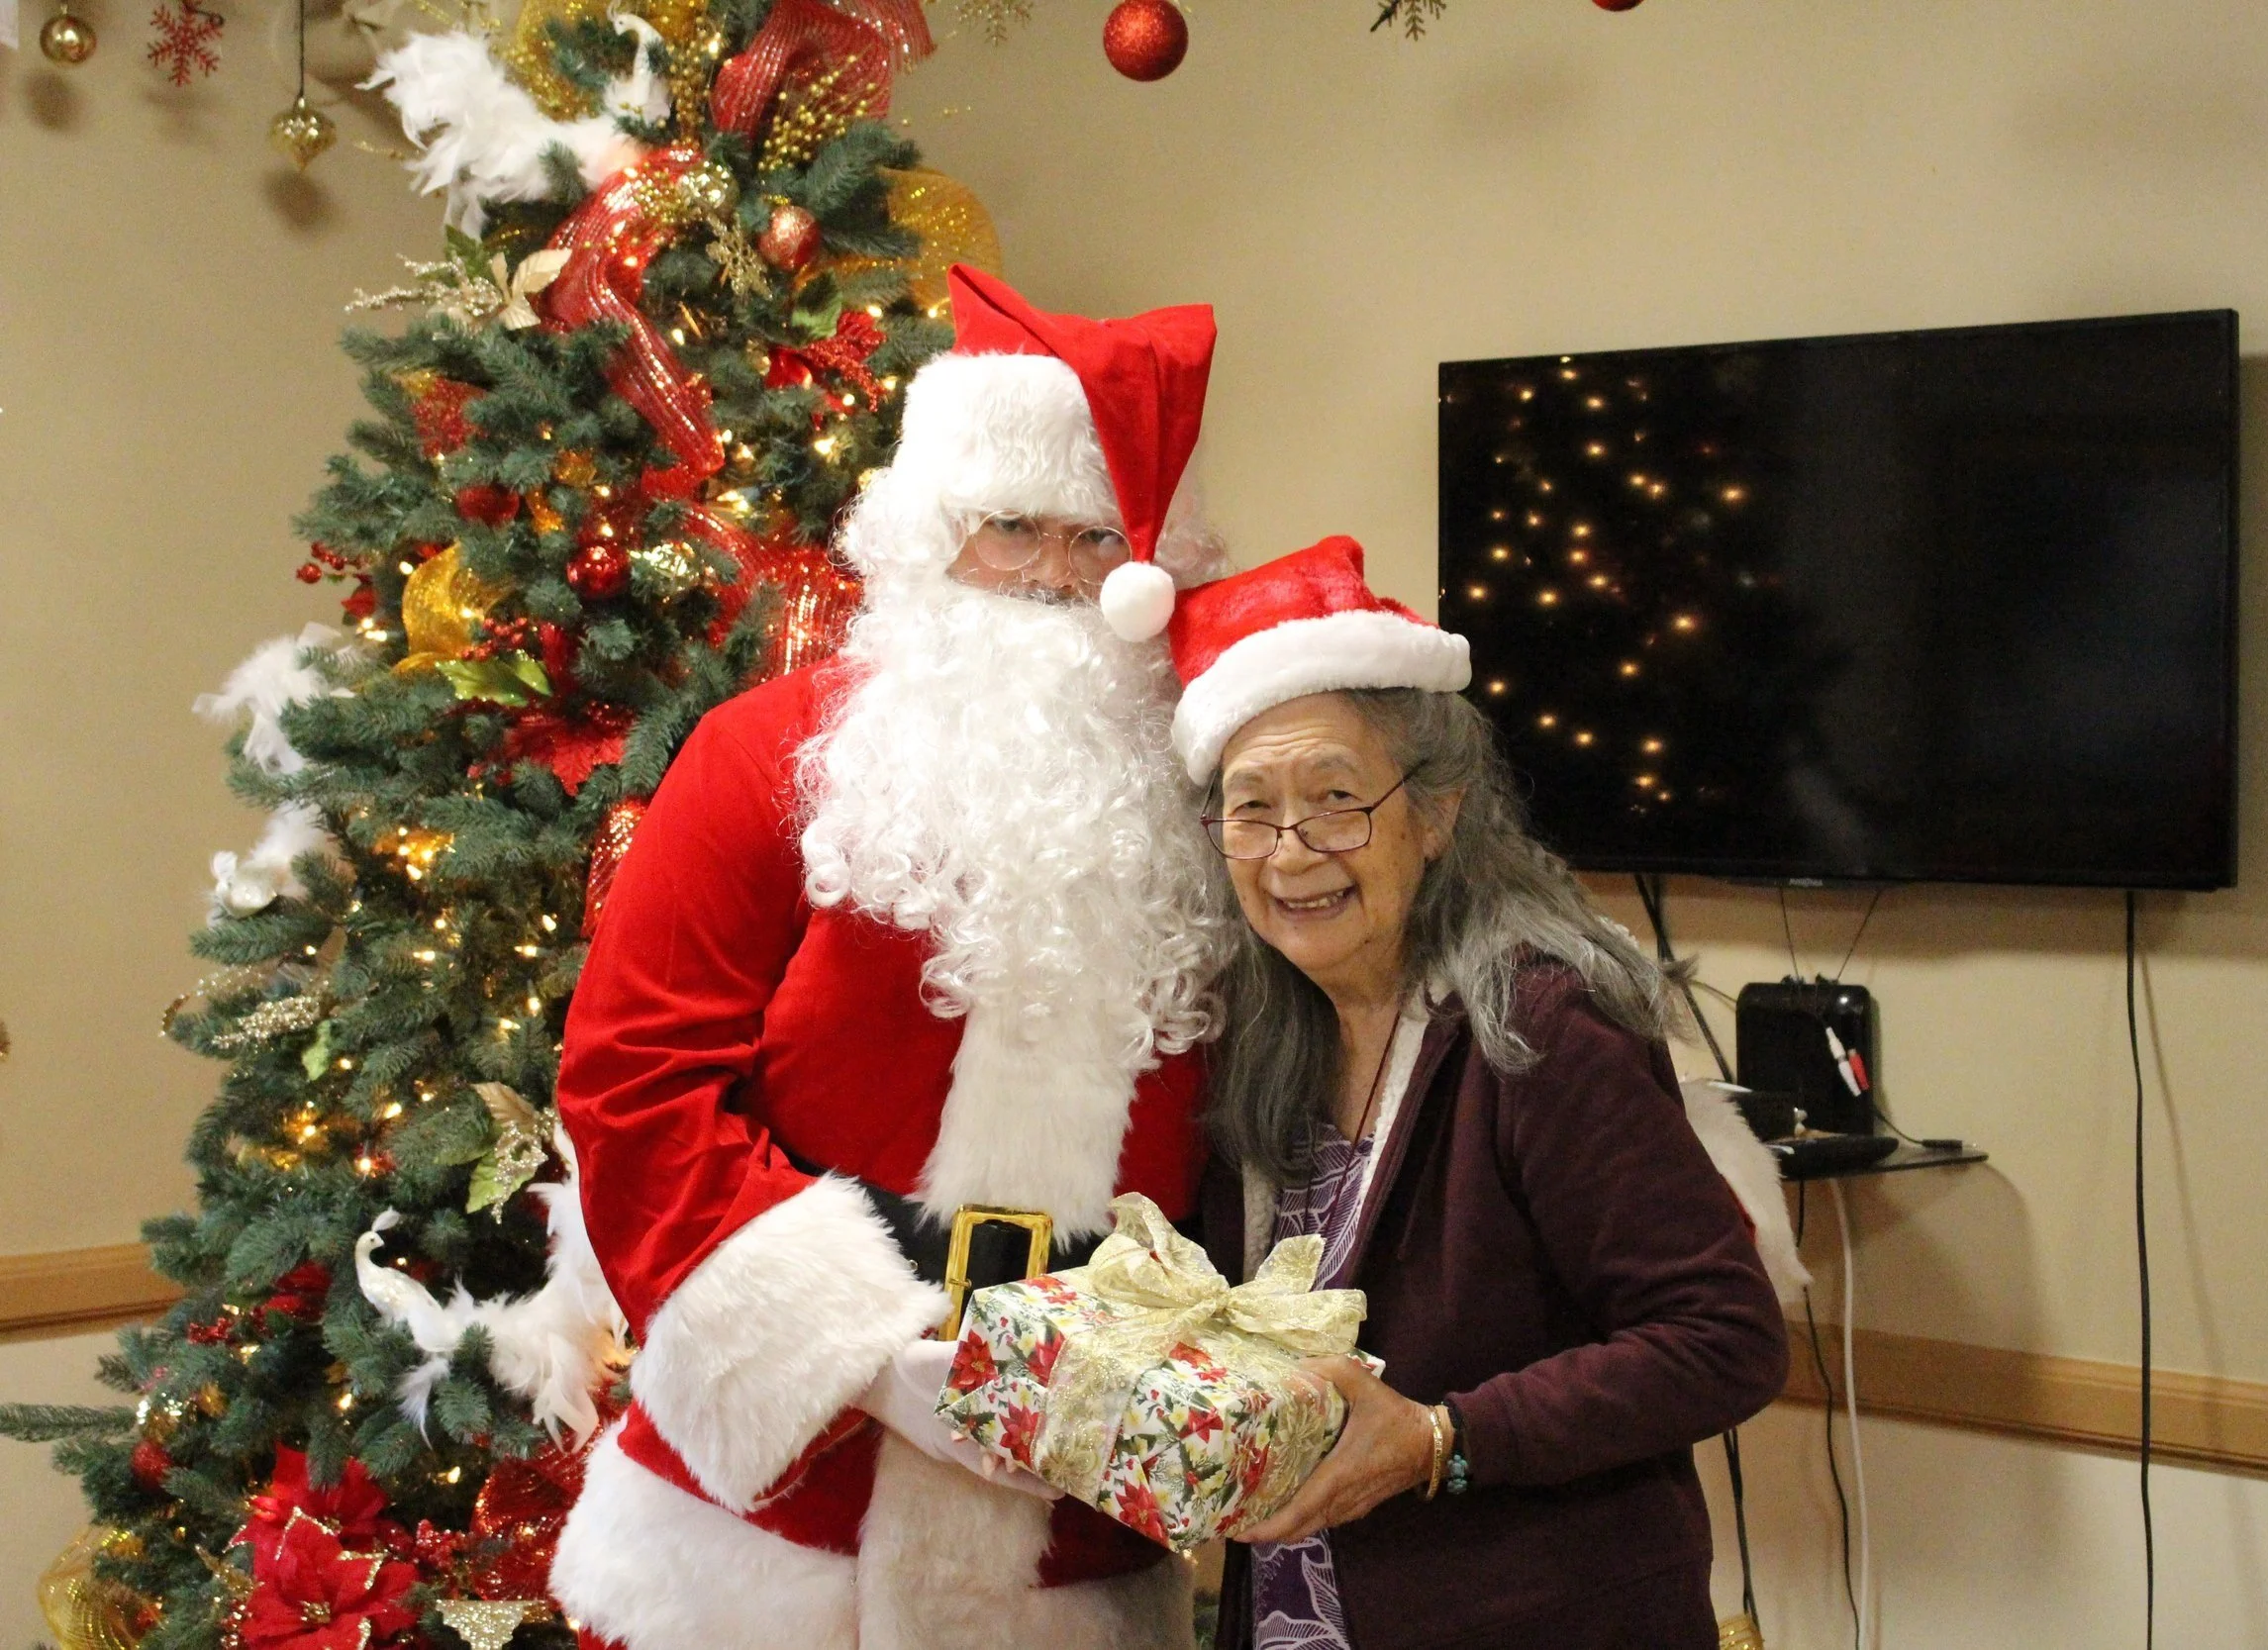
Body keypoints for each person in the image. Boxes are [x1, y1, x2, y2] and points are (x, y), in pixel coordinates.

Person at [547, 267, 1233, 1650]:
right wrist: (861, 1351)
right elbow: (632, 1083)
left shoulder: (1215, 793)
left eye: (1095, 538)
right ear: (930, 533)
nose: (1051, 573)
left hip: (1075, 1511)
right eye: (1012, 527)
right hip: (775, 1515)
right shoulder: (763, 755)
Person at [1170, 536, 1803, 1650]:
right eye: (1250, 807)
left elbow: (1723, 1335)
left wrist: (1438, 1437)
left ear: (1436, 813)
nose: (1290, 850)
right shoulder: (1259, 1034)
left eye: (1335, 797)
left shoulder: (1544, 1025)